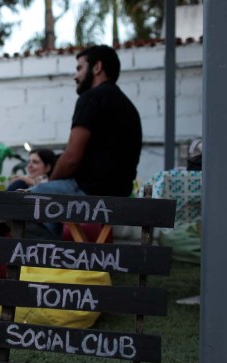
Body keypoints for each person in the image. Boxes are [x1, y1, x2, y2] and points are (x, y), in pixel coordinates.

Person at [27, 45, 142, 237]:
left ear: (97, 67)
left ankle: (48, 259)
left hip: (90, 192)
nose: (76, 76)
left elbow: (71, 157)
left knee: (29, 197)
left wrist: (50, 181)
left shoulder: (92, 98)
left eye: (79, 68)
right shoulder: (128, 106)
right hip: (120, 194)